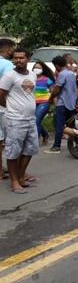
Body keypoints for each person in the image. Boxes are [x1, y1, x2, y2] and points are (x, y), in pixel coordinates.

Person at [0, 48, 39, 193]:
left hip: (30, 119)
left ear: (28, 59)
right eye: (15, 58)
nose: (18, 61)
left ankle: (21, 176)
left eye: (21, 58)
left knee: (30, 149)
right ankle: (14, 181)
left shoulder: (33, 75)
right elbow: (1, 95)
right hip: (14, 119)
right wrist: (10, 107)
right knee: (13, 151)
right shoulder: (9, 76)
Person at [45, 56, 77, 154]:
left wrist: (51, 98)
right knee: (72, 126)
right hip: (71, 103)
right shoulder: (71, 73)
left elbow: (57, 89)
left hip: (62, 103)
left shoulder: (62, 74)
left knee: (59, 125)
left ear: (57, 65)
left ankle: (56, 146)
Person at [0, 38, 15, 180]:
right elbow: (8, 86)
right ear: (9, 50)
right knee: (6, 138)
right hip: (2, 105)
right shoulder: (7, 65)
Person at [33, 61, 55, 145]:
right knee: (33, 121)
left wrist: (52, 100)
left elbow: (53, 92)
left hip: (44, 102)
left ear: (43, 69)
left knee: (36, 120)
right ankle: (45, 134)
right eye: (35, 68)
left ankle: (35, 141)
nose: (36, 69)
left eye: (39, 68)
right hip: (32, 102)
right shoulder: (30, 78)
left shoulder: (47, 79)